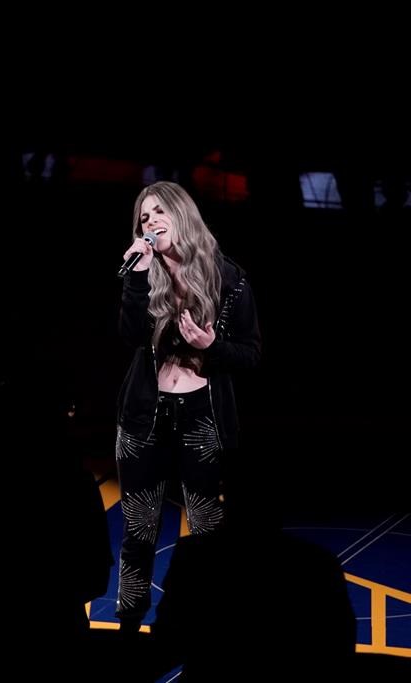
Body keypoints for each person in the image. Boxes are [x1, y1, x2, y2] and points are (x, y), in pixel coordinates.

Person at [114, 181, 261, 632]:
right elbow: (129, 337)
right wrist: (137, 277)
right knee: (137, 531)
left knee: (209, 533)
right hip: (145, 417)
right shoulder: (145, 273)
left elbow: (252, 355)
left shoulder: (228, 278)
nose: (152, 223)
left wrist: (213, 346)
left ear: (182, 215)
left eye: (160, 213)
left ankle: (210, 623)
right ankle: (128, 624)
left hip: (203, 417)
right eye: (144, 217)